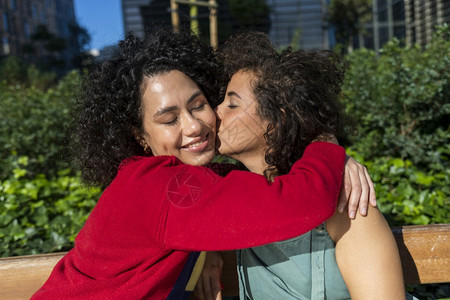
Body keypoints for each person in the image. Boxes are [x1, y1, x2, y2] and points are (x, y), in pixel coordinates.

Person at [31, 28, 372, 300]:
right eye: (169, 119)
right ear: (139, 136)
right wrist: (326, 144)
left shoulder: (159, 179)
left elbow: (229, 189)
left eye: (198, 105)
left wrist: (206, 249)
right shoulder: (158, 187)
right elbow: (303, 200)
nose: (194, 126)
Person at [195, 31, 407, 300]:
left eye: (232, 104)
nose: (216, 112)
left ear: (276, 120)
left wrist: (334, 152)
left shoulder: (347, 201)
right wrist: (202, 250)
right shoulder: (234, 194)